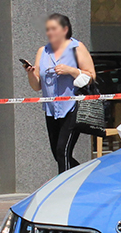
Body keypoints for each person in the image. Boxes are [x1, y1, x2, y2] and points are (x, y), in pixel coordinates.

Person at [25, 13, 96, 174]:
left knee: (62, 151)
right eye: (47, 29)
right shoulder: (43, 51)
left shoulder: (77, 48)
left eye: (53, 29)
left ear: (65, 30)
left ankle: (63, 188)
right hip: (51, 110)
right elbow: (37, 86)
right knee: (57, 153)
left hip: (72, 107)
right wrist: (30, 73)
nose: (49, 33)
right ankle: (85, 176)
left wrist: (71, 70)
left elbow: (91, 76)